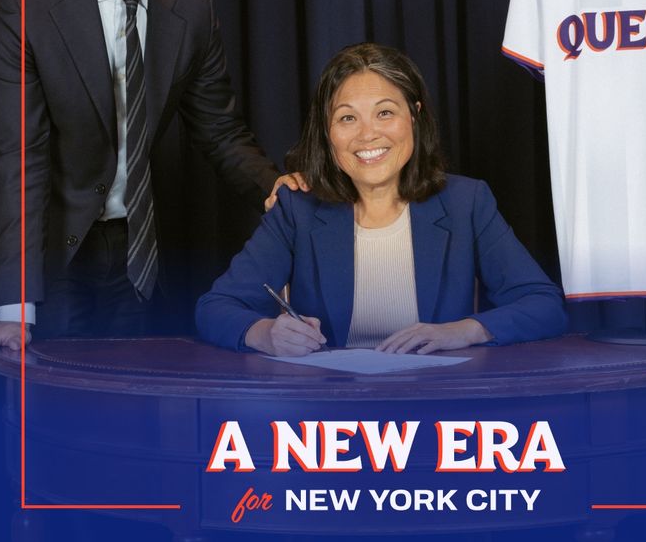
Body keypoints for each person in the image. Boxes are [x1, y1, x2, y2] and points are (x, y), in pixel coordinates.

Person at [0, 0, 304, 351]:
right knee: (49, 411)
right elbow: (16, 158)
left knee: (131, 405)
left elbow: (219, 129)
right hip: (43, 249)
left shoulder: (192, 6)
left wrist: (270, 187)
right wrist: (16, 305)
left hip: (137, 251)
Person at [196, 42, 567, 355]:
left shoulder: (466, 202)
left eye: (385, 113)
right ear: (328, 133)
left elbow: (545, 305)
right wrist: (265, 334)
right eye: (347, 119)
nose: (367, 135)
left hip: (440, 408)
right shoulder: (298, 208)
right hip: (327, 413)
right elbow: (215, 308)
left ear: (414, 116)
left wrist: (463, 331)